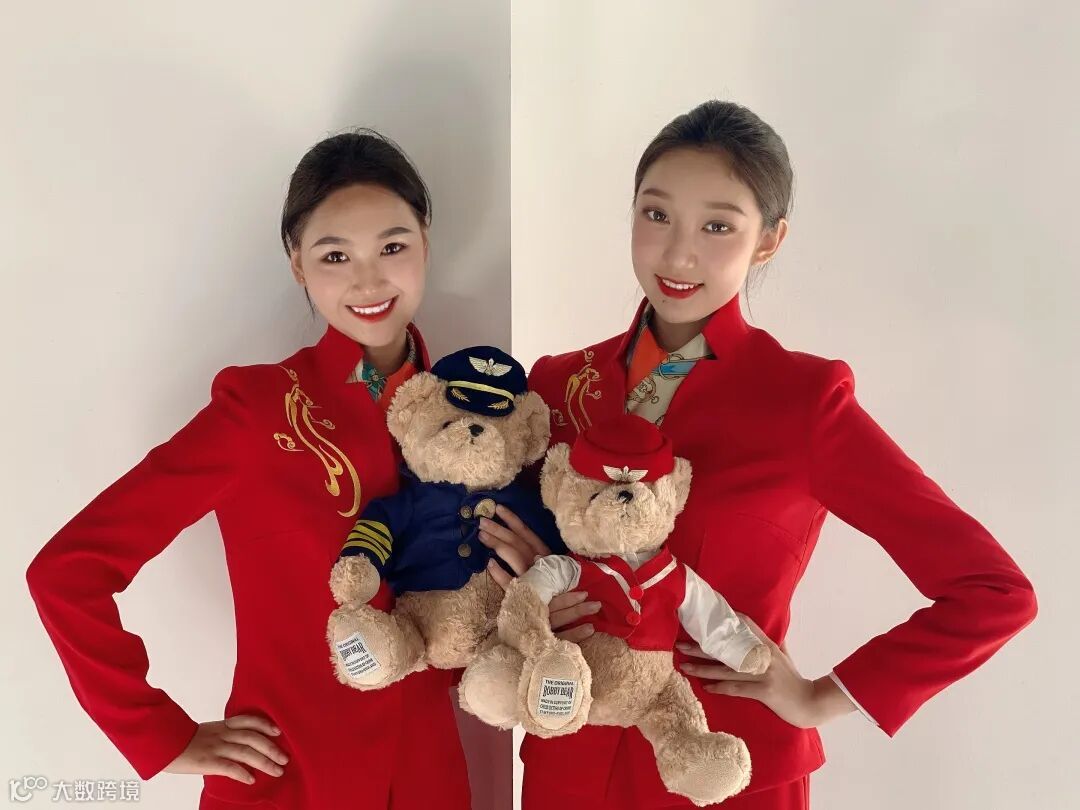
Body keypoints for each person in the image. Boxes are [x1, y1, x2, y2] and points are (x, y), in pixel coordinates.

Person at [479, 100, 1038, 809]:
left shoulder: (803, 400)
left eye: (717, 226)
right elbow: (484, 551)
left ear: (769, 240)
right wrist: (528, 601)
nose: (678, 254)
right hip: (572, 759)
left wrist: (820, 696)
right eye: (657, 215)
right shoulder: (559, 383)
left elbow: (994, 591)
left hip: (729, 765)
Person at [26, 130, 472, 809]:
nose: (368, 280)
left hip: (429, 779)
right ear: (297, 264)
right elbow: (67, 572)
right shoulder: (259, 410)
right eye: (334, 255)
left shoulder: (478, 416)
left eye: (392, 246)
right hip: (288, 778)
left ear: (425, 243)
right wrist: (161, 736)